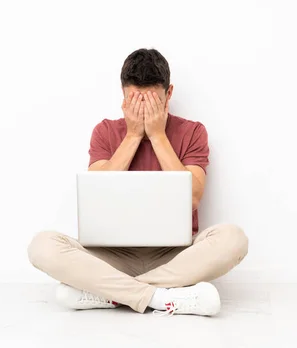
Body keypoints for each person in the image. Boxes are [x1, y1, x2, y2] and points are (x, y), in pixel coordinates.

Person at [27, 48, 248, 316]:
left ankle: (109, 293)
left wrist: (157, 136)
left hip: (174, 255)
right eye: (134, 100)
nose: (143, 109)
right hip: (112, 256)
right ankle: (160, 297)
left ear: (169, 94)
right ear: (122, 95)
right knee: (42, 246)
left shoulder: (192, 132)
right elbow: (98, 197)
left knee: (233, 239)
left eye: (153, 101)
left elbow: (191, 198)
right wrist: (132, 136)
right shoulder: (106, 131)